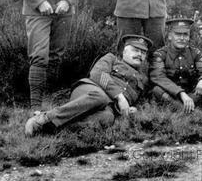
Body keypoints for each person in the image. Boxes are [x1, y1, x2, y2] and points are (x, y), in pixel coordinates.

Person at [24, 35, 152, 136]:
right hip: (89, 91)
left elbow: (138, 101)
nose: (139, 55)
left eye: (143, 52)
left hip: (108, 107)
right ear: (124, 51)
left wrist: (132, 110)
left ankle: (52, 129)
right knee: (99, 97)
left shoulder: (143, 79)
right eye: (135, 50)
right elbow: (97, 73)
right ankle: (44, 118)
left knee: (108, 118)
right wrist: (120, 97)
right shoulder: (112, 59)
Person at [149, 18, 202, 113]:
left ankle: (182, 111)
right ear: (170, 36)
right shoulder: (160, 55)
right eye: (178, 34)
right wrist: (181, 93)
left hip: (191, 96)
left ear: (189, 37)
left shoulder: (195, 53)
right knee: (157, 90)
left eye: (185, 34)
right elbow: (159, 77)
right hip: (171, 96)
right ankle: (195, 114)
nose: (182, 38)